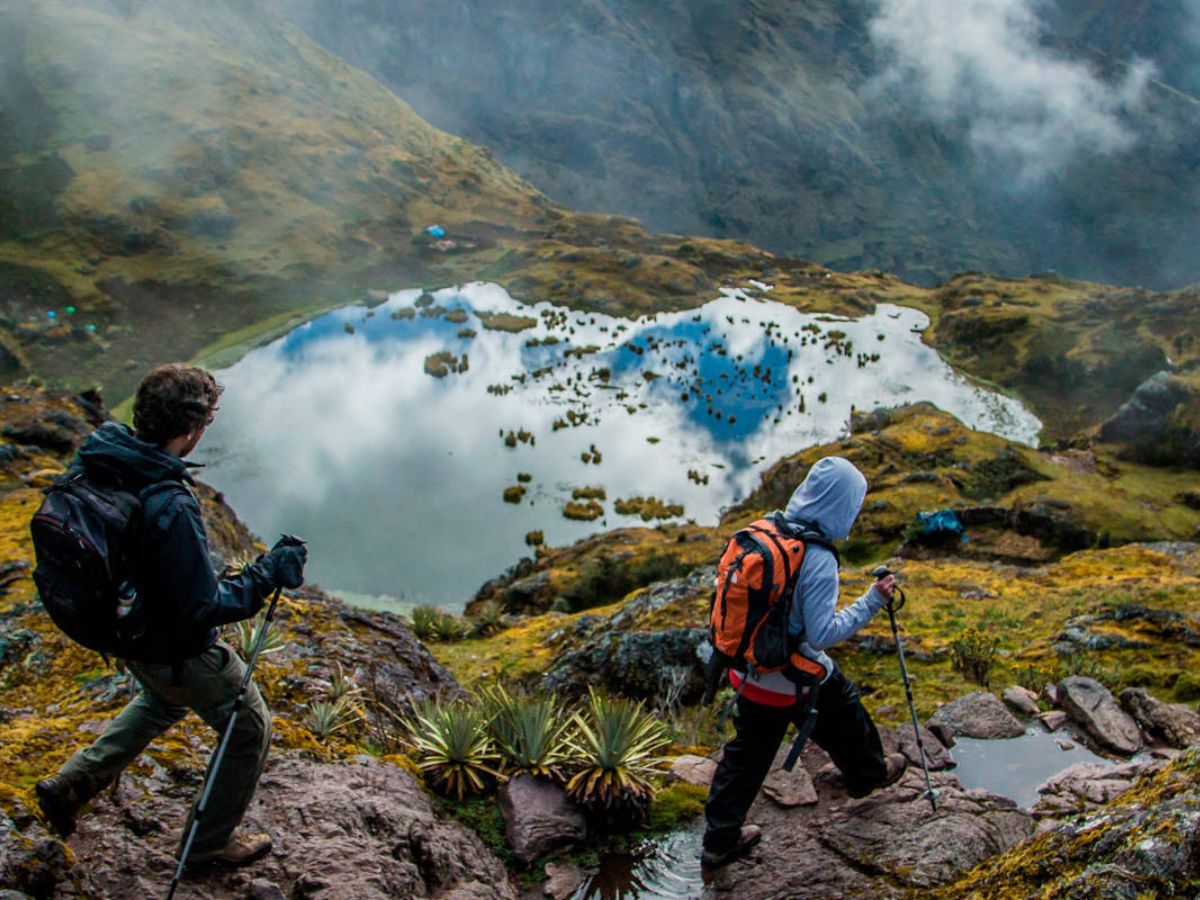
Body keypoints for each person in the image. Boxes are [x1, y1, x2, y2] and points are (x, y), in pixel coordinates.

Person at [35, 364, 307, 868]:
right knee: (248, 728)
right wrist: (268, 573)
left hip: (122, 632)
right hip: (173, 646)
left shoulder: (103, 460)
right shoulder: (169, 499)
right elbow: (202, 606)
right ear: (193, 429)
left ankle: (72, 784)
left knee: (163, 701)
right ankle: (207, 846)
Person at [702, 456, 907, 869]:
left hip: (747, 669)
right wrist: (873, 600)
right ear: (841, 504)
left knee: (746, 756)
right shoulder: (818, 558)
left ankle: (719, 840)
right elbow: (822, 635)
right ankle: (868, 776)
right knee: (843, 704)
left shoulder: (766, 529)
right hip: (791, 678)